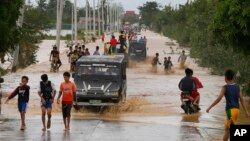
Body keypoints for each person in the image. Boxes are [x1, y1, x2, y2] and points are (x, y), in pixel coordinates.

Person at [206, 69, 250, 141]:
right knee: (228, 129)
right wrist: (246, 111)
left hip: (230, 111)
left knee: (228, 130)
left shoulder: (225, 87)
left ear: (225, 78)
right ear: (233, 77)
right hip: (236, 110)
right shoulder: (237, 86)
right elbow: (241, 99)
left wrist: (210, 107)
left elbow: (219, 98)